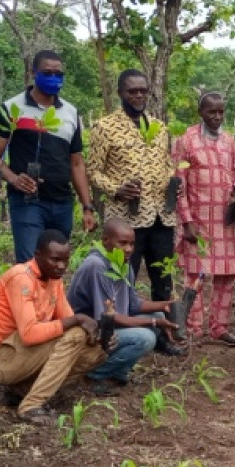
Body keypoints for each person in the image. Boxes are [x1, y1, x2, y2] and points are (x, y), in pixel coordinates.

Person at [0, 229, 108, 422]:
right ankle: (31, 406)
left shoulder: (54, 280)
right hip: (0, 359)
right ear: (37, 255)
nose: (61, 266)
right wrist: (78, 320)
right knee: (76, 336)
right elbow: (30, 334)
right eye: (55, 260)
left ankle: (22, 391)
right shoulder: (21, 278)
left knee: (95, 351)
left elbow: (70, 322)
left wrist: (99, 339)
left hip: (22, 355)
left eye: (65, 260)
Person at [0, 49, 95, 262]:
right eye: (47, 73)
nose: (54, 78)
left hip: (62, 202)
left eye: (58, 74)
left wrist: (87, 206)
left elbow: (76, 164)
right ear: (32, 73)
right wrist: (14, 179)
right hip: (28, 202)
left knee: (56, 264)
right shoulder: (11, 109)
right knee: (30, 265)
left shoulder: (70, 113)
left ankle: (52, 298)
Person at [87, 69, 176, 301]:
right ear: (120, 93)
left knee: (163, 278)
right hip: (126, 220)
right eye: (132, 91)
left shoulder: (159, 128)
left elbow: (167, 164)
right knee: (123, 277)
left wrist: (173, 181)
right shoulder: (104, 128)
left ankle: (164, 333)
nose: (138, 96)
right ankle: (120, 331)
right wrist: (116, 189)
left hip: (161, 216)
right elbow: (93, 171)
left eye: (143, 91)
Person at [67, 218, 183, 392]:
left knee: (158, 315)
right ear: (106, 240)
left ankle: (117, 373)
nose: (129, 249)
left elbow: (133, 304)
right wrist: (153, 323)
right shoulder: (97, 266)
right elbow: (107, 317)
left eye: (131, 244)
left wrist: (165, 305)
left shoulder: (122, 262)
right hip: (90, 331)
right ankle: (94, 374)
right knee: (146, 338)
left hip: (109, 324)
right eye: (122, 243)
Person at [173, 92, 235, 345]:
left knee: (227, 275)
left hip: (225, 220)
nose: (216, 117)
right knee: (196, 275)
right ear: (200, 112)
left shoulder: (229, 141)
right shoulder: (186, 140)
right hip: (199, 221)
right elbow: (178, 185)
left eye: (221, 112)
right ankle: (193, 329)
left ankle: (219, 327)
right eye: (211, 112)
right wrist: (186, 220)